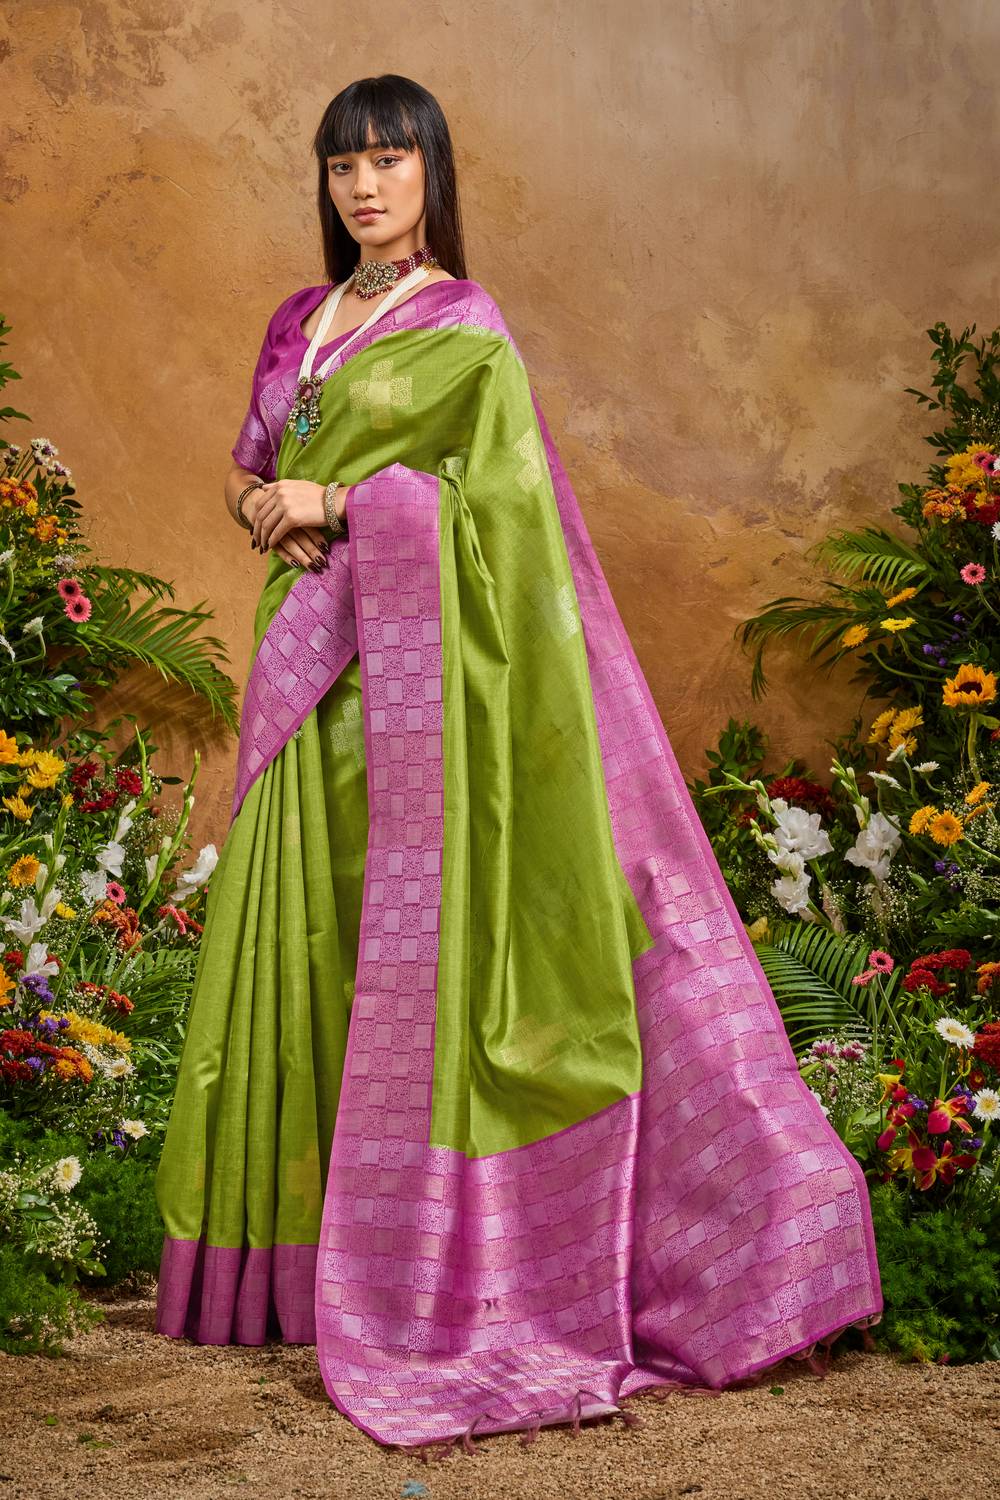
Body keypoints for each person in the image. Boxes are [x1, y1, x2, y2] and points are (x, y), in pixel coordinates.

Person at [154, 73, 882, 1453]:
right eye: (344, 165)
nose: (365, 186)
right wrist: (260, 501)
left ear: (432, 174)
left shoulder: (468, 331)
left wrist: (340, 501)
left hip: (420, 702)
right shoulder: (299, 323)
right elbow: (246, 465)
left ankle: (434, 1274)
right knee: (299, 945)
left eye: (390, 160)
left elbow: (504, 513)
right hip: (302, 682)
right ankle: (284, 1277)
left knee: (403, 968)